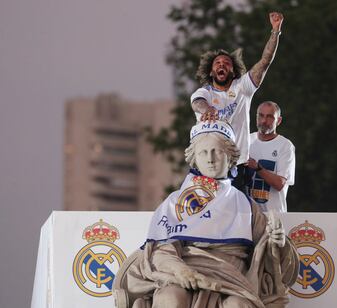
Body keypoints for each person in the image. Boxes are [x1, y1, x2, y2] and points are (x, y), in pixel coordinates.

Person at [112, 121, 299, 308]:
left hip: (232, 282)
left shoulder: (245, 205)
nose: (210, 159)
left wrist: (278, 243)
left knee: (238, 306)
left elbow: (267, 254)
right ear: (194, 158)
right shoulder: (176, 201)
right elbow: (162, 250)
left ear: (231, 157)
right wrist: (181, 271)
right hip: (184, 275)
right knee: (170, 298)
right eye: (203, 152)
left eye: (217, 151)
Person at [190, 12, 284, 189]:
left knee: (237, 211)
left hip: (238, 163)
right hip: (209, 163)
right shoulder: (205, 92)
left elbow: (265, 62)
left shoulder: (242, 87)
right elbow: (197, 103)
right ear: (211, 72)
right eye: (217, 63)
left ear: (233, 71)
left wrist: (275, 31)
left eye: (226, 63)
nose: (222, 65)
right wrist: (207, 109)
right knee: (208, 212)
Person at [246, 101, 295, 213]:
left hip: (274, 217)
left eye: (269, 117)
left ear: (279, 121)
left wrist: (257, 167)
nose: (264, 121)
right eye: (261, 116)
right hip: (248, 216)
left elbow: (279, 184)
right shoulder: (246, 141)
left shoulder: (286, 146)